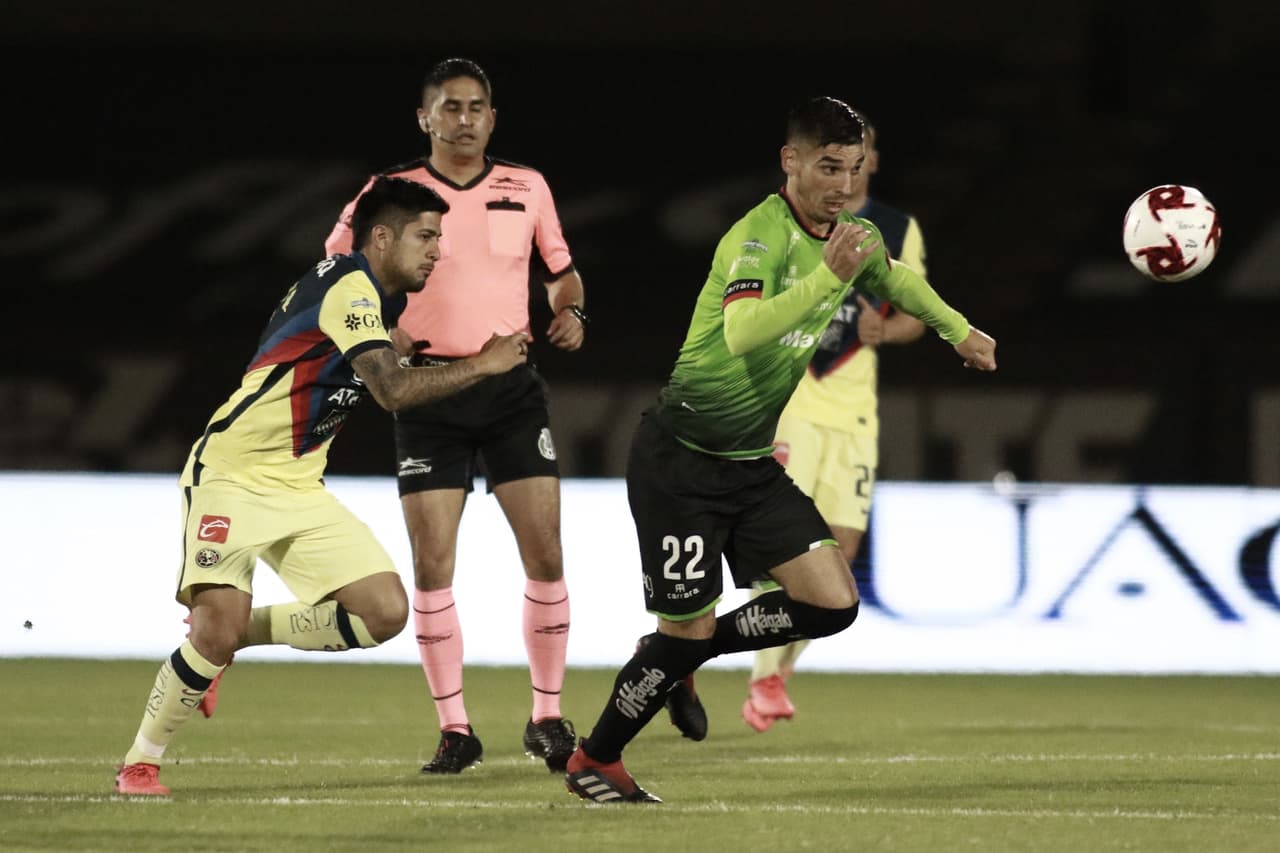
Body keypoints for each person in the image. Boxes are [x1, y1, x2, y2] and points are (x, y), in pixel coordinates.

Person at [563, 96, 996, 803]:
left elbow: (897, 280)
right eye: (829, 167)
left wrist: (958, 330)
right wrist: (830, 278)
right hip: (681, 461)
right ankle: (595, 757)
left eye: (854, 168)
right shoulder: (757, 235)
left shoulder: (851, 235)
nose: (844, 185)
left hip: (750, 466)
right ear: (790, 162)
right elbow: (742, 331)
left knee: (831, 601)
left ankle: (682, 652)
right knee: (684, 632)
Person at [113, 176, 531, 796]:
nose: (436, 250)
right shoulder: (349, 288)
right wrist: (484, 364)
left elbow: (356, 362)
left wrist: (394, 346)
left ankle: (231, 637)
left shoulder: (369, 299)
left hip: (300, 485)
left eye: (438, 237)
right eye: (425, 236)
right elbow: (390, 391)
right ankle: (139, 763)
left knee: (385, 612)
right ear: (381, 237)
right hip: (233, 473)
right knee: (213, 629)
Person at [323, 58, 585, 775]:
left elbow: (560, 271)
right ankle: (455, 728)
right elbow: (337, 264)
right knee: (433, 567)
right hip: (429, 390)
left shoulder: (525, 186)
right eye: (451, 107)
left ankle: (549, 716)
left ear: (492, 118)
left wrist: (572, 309)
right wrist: (377, 325)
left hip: (510, 389)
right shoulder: (391, 191)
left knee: (547, 551)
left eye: (477, 107)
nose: (464, 119)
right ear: (425, 118)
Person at [741, 110, 927, 733]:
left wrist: (888, 329)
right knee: (783, 551)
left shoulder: (897, 229)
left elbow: (914, 313)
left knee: (840, 560)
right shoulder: (786, 222)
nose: (851, 166)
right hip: (791, 402)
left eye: (862, 154)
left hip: (853, 413)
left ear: (872, 160)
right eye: (839, 156)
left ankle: (769, 668)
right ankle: (760, 673)